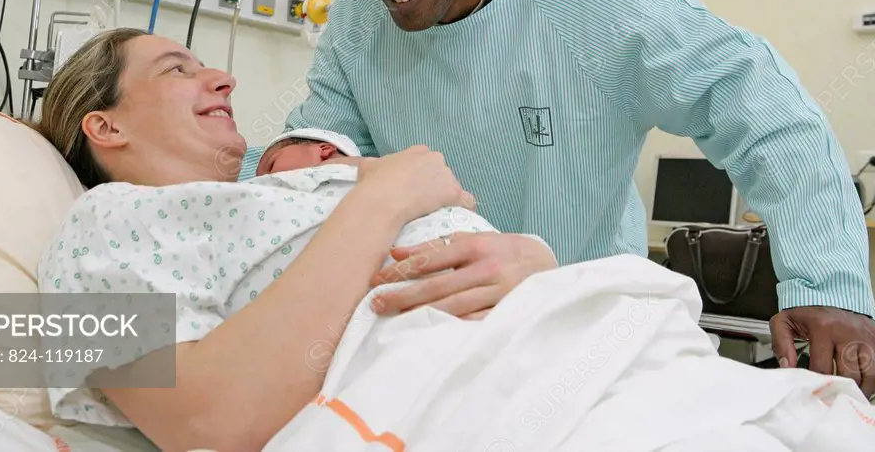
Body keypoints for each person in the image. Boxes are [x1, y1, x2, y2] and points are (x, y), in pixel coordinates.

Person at [245, 0, 875, 397]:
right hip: (433, 347)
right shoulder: (357, 25)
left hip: (589, 337)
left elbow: (755, 96)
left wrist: (829, 285)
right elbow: (316, 171)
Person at [33, 27, 556, 452]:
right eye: (176, 69)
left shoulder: (275, 192)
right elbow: (205, 421)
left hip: (547, 339)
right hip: (480, 395)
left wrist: (537, 268)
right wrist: (384, 199)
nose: (224, 80)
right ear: (105, 127)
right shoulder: (104, 221)